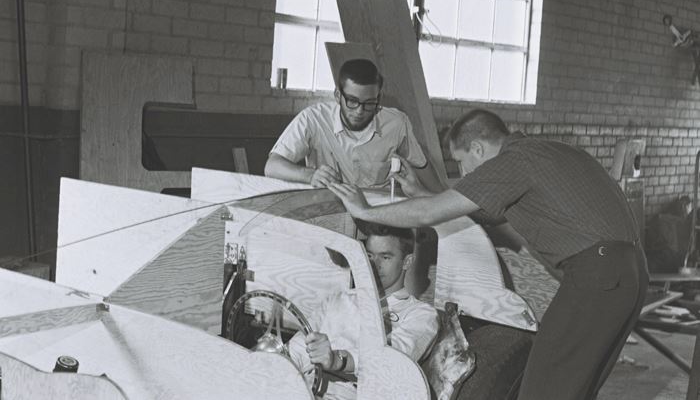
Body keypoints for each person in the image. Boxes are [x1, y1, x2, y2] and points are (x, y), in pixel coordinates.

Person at [328, 108, 649, 400]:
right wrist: (422, 194)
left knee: (542, 389)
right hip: (630, 273)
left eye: (462, 163)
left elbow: (427, 213)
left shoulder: (513, 162)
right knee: (575, 388)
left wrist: (365, 210)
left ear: (478, 149)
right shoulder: (546, 153)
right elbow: (483, 211)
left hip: (598, 272)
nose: (466, 174)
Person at [287, 222, 439, 399]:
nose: (374, 265)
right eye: (369, 256)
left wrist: (338, 361)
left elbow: (390, 361)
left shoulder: (421, 315)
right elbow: (296, 349)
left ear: (407, 261)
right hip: (301, 388)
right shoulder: (337, 300)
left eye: (385, 257)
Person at [264, 58, 442, 192]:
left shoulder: (396, 123)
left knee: (385, 243)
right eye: (352, 101)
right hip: (331, 206)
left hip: (377, 211)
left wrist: (442, 200)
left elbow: (420, 166)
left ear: (378, 98)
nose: (359, 111)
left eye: (369, 103)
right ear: (337, 95)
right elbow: (272, 166)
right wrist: (311, 175)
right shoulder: (313, 119)